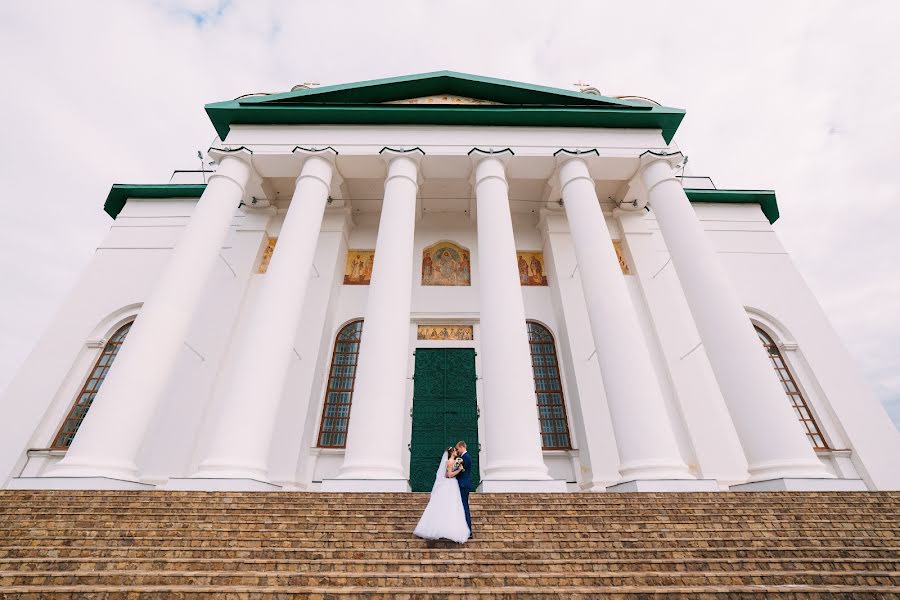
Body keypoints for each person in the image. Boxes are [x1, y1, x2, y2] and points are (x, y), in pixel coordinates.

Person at [413, 446, 471, 543]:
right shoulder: (449, 462)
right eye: (455, 451)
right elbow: (449, 475)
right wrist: (459, 470)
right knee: (449, 506)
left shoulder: (453, 460)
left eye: (457, 450)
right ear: (451, 452)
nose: (456, 452)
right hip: (450, 484)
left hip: (453, 485)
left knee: (452, 507)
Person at [455, 441, 473, 535]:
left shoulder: (465, 458)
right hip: (464, 484)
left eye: (457, 449)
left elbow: (461, 471)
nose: (457, 451)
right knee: (463, 506)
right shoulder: (464, 457)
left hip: (463, 484)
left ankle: (468, 530)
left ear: (462, 447)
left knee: (464, 506)